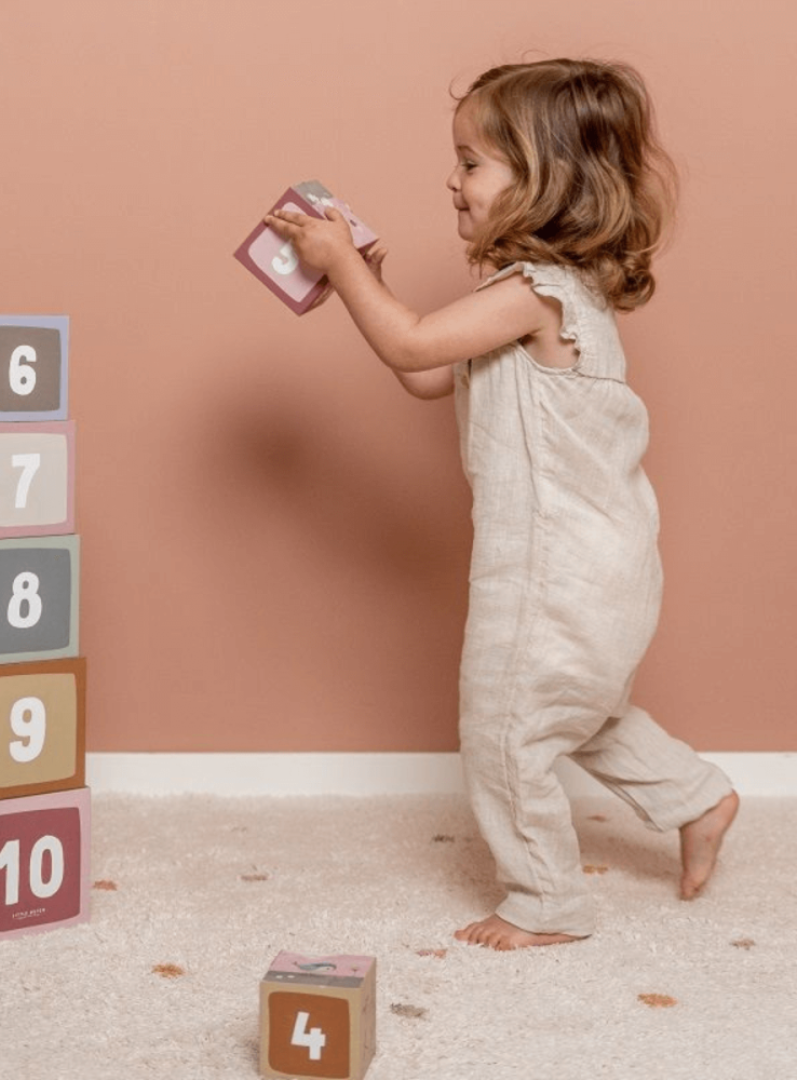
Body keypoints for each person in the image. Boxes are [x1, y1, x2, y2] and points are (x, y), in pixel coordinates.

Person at [264, 58, 739, 950]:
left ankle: (545, 900)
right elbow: (426, 375)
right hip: (606, 567)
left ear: (547, 182)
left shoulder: (533, 295)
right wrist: (359, 285)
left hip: (554, 571)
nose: (453, 179)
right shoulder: (543, 296)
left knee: (503, 728)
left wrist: (346, 273)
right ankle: (697, 797)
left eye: (473, 162)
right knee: (580, 715)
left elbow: (408, 348)